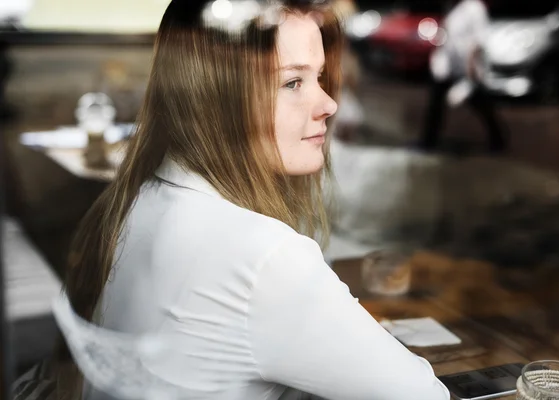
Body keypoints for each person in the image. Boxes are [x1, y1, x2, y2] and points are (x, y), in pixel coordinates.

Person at [57, 0, 450, 399]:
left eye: (319, 77)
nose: (329, 104)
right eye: (292, 82)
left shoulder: (143, 196)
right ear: (216, 98)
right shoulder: (263, 255)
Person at [420, 0, 508, 153]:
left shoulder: (474, 7)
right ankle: (429, 141)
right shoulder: (454, 9)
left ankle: (498, 141)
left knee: (482, 105)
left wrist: (471, 66)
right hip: (450, 67)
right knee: (435, 103)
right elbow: (448, 38)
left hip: (468, 68)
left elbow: (480, 38)